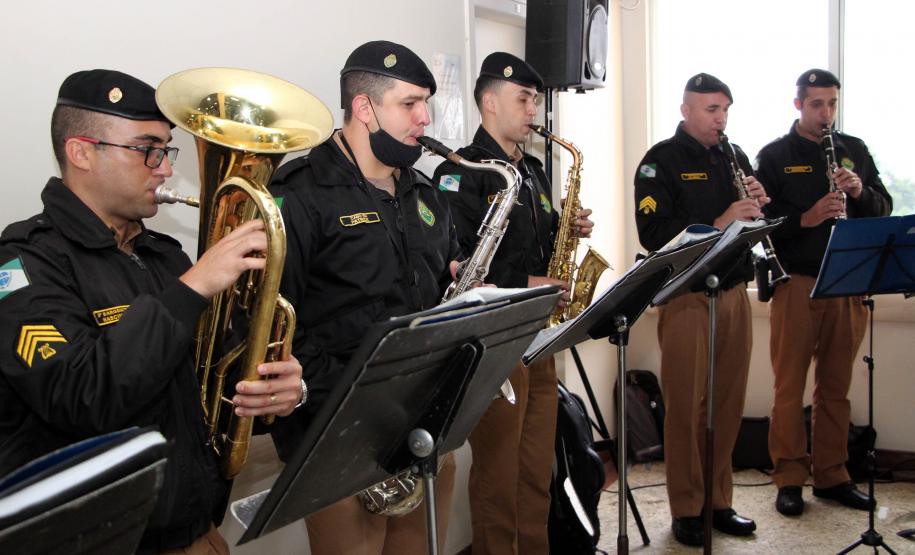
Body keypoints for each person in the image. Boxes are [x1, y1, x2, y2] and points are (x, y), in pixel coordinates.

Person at [0, 69, 305, 554]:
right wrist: (193, 288)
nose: (164, 170)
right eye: (147, 150)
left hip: (200, 532)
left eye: (167, 151)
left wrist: (276, 391)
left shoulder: (164, 255)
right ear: (81, 152)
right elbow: (83, 395)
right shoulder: (22, 264)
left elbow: (212, 379)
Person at [267, 41, 461, 555]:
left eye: (426, 103)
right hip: (338, 438)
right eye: (410, 103)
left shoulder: (424, 191)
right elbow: (273, 324)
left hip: (423, 427)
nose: (424, 117)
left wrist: (466, 298)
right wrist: (356, 394)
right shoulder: (299, 192)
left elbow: (441, 283)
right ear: (364, 107)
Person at [432, 52, 594, 555]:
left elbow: (538, 245)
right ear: (489, 102)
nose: (532, 110)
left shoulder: (536, 171)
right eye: (523, 99)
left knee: (536, 475)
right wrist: (529, 283)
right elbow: (457, 266)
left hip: (540, 340)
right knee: (498, 480)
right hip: (495, 345)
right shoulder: (460, 173)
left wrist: (568, 229)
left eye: (535, 100)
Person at [756, 68, 892, 517]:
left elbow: (883, 207)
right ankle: (789, 477)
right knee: (789, 386)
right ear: (798, 104)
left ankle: (833, 475)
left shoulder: (853, 150)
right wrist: (807, 218)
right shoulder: (774, 156)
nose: (826, 113)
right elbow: (760, 224)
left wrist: (860, 192)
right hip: (797, 282)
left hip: (847, 283)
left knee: (836, 386)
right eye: (817, 104)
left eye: (832, 103)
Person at [633, 73, 763, 546]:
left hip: (733, 292)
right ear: (686, 110)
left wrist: (757, 208)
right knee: (686, 408)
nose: (720, 119)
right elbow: (654, 234)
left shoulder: (734, 156)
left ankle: (719, 501)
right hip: (686, 298)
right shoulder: (660, 163)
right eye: (711, 110)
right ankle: (687, 508)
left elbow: (748, 227)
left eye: (725, 110)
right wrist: (721, 221)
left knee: (727, 403)